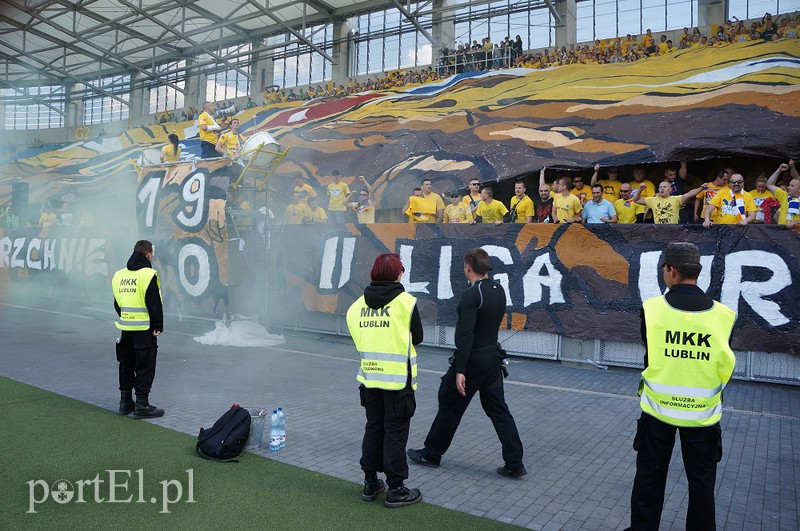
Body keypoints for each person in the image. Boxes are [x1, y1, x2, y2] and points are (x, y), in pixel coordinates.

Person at [626, 242, 736, 531]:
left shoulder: (651, 309)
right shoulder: (723, 316)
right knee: (701, 485)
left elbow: (650, 353)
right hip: (702, 415)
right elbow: (725, 367)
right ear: (696, 272)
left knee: (650, 477)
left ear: (672, 271)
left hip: (657, 411)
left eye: (664, 269)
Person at [408, 248, 525, 477]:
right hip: (492, 360)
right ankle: (515, 463)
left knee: (449, 405)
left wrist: (461, 370)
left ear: (468, 268)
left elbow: (466, 335)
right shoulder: (498, 290)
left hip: (473, 361)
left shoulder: (472, 295)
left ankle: (431, 454)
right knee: (499, 411)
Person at [345, 253, 423, 508]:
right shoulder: (406, 303)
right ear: (397, 274)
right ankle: (396, 488)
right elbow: (417, 337)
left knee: (374, 428)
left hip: (370, 378)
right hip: (398, 382)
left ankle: (370, 482)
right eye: (401, 270)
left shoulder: (355, 307)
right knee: (395, 434)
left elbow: (359, 340)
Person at [112, 240, 165, 419]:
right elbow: (154, 303)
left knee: (126, 364)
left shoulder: (119, 275)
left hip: (125, 327)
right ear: (148, 254)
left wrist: (126, 317)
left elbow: (117, 303)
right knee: (145, 365)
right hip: (144, 328)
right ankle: (142, 404)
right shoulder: (148, 274)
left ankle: (125, 402)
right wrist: (157, 325)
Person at [633, 181, 707, 224]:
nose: (662, 189)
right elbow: (636, 200)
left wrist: (701, 188)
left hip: (673, 230)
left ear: (670, 190)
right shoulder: (653, 200)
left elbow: (690, 194)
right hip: (659, 231)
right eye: (660, 187)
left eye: (664, 187)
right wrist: (640, 189)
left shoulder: (676, 199)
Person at [765, 161, 800, 228]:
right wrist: (779, 169)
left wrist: (795, 222)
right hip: (783, 234)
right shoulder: (785, 196)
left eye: (792, 186)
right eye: (789, 185)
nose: (788, 187)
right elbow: (769, 184)